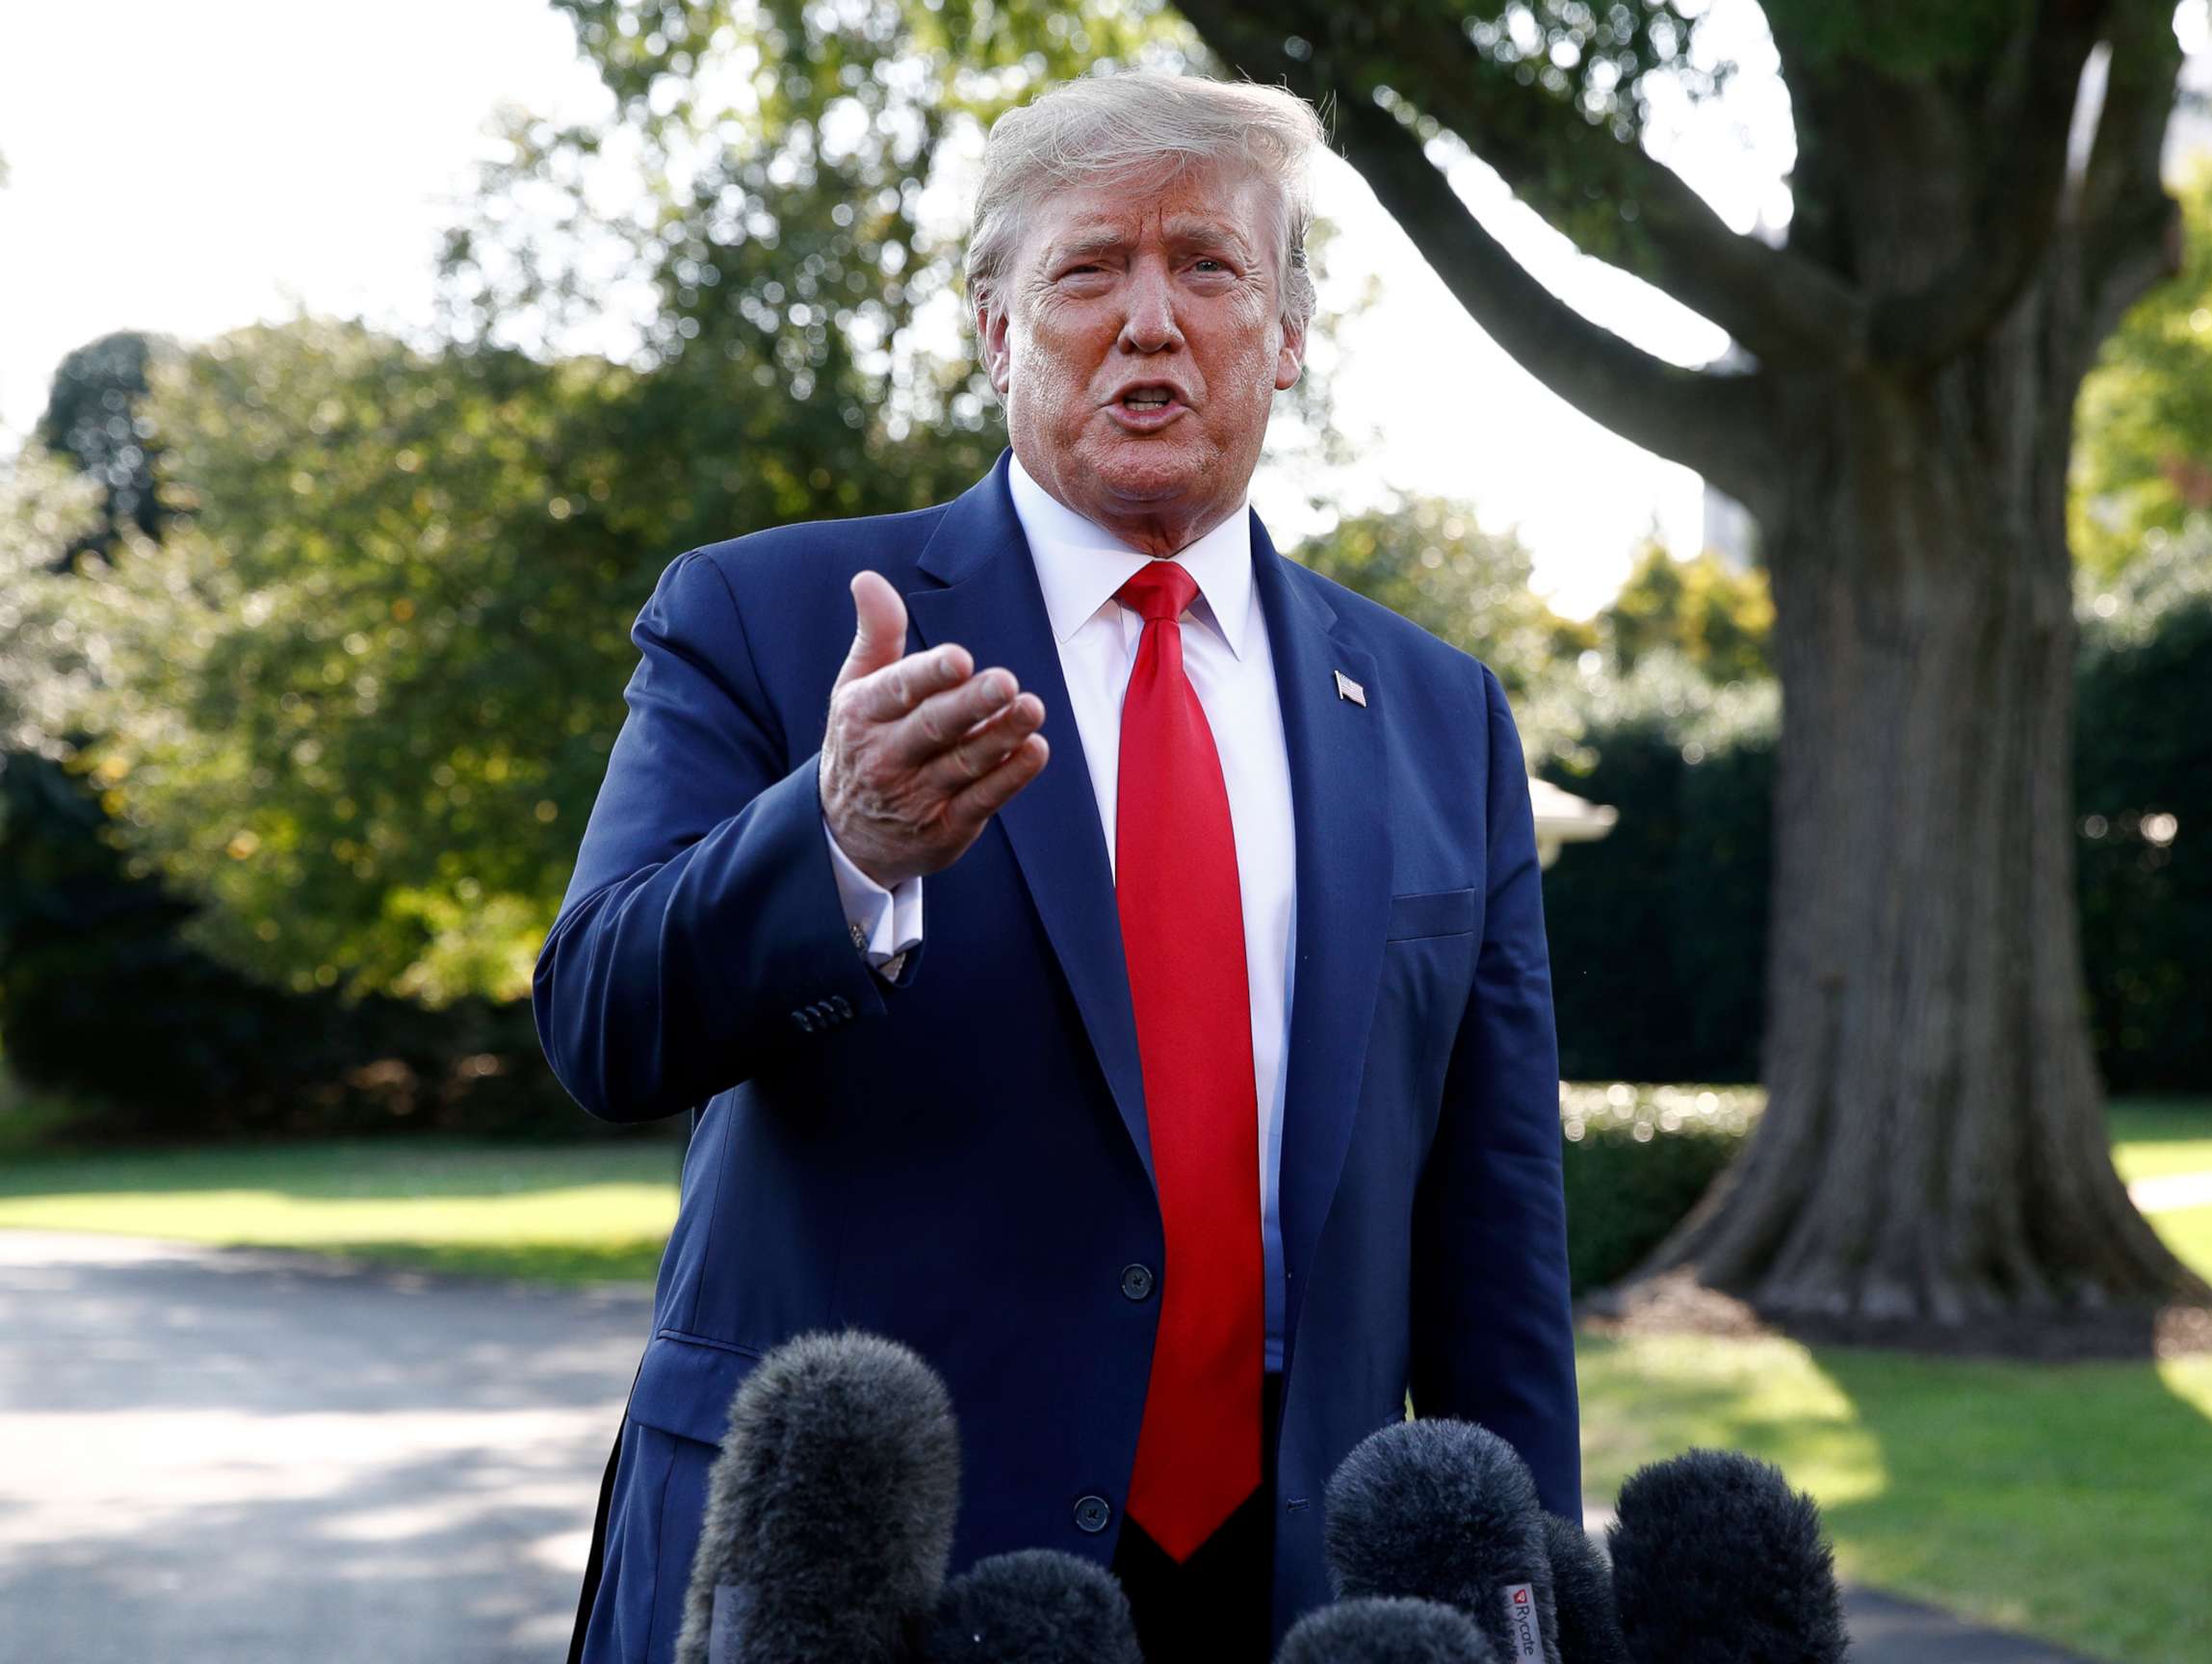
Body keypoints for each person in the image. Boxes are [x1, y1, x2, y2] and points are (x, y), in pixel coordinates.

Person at [535, 68, 1579, 1664]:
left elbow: (1494, 1230)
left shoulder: (1440, 713)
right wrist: (836, 845)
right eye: (1089, 270)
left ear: (1288, 338)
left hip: (1291, 1593)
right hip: (866, 1582)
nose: (1149, 320)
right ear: (996, 329)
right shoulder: (770, 619)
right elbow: (601, 1024)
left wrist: (1531, 1610)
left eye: (1208, 267)